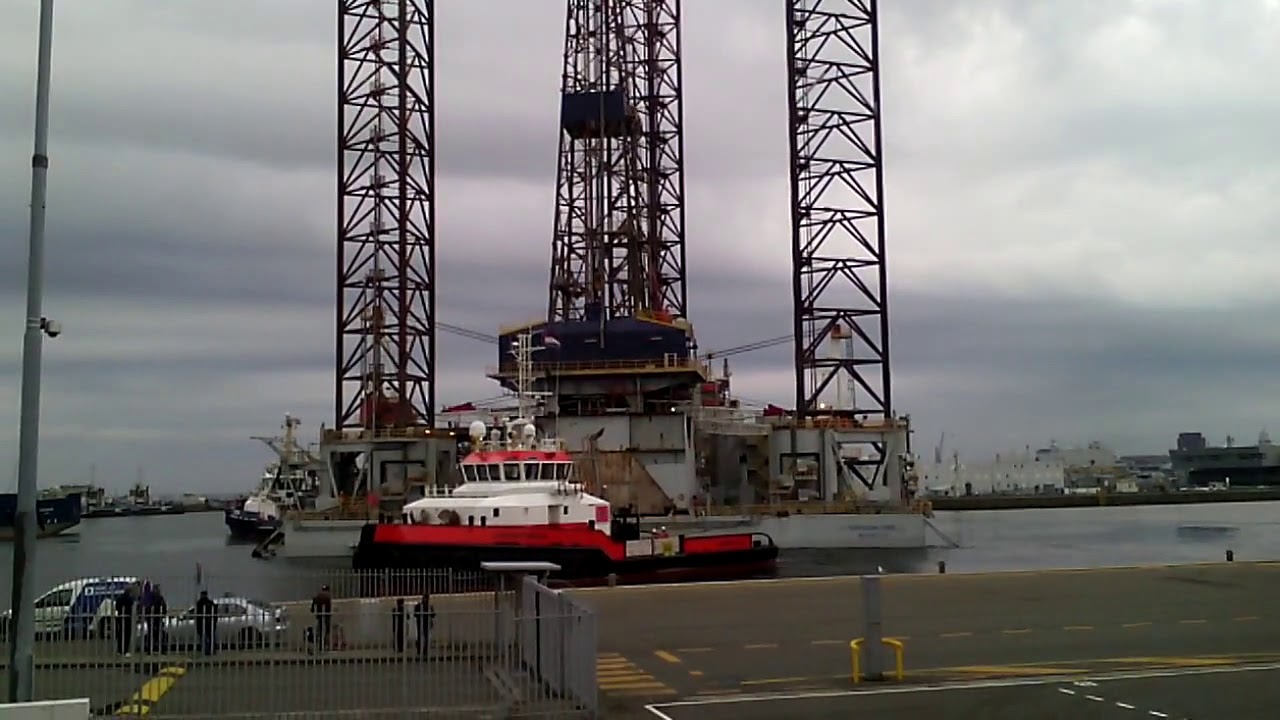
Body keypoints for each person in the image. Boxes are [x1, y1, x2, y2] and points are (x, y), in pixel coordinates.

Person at [114, 583, 138, 657]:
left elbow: (117, 607)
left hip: (120, 617)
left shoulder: (119, 598)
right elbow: (132, 607)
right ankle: (125, 651)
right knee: (127, 635)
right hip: (127, 618)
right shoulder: (129, 599)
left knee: (120, 634)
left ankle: (119, 650)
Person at [145, 584, 168, 653]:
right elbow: (164, 607)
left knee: (151, 633)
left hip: (151, 617)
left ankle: (150, 649)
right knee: (159, 633)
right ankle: (162, 648)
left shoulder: (149, 597)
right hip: (157, 617)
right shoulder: (159, 597)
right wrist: (163, 614)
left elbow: (147, 607)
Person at [310, 584, 332, 653]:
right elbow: (329, 607)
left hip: (319, 615)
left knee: (319, 630)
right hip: (326, 615)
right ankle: (324, 646)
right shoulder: (328, 596)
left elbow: (313, 603)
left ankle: (319, 645)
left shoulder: (318, 596)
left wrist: (313, 609)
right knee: (326, 630)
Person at [194, 590, 217, 656]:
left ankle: (206, 650)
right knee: (211, 637)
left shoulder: (199, 603)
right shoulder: (211, 603)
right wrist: (214, 622)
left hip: (202, 623)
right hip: (211, 622)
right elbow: (215, 614)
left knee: (204, 638)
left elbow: (198, 615)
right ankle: (212, 650)